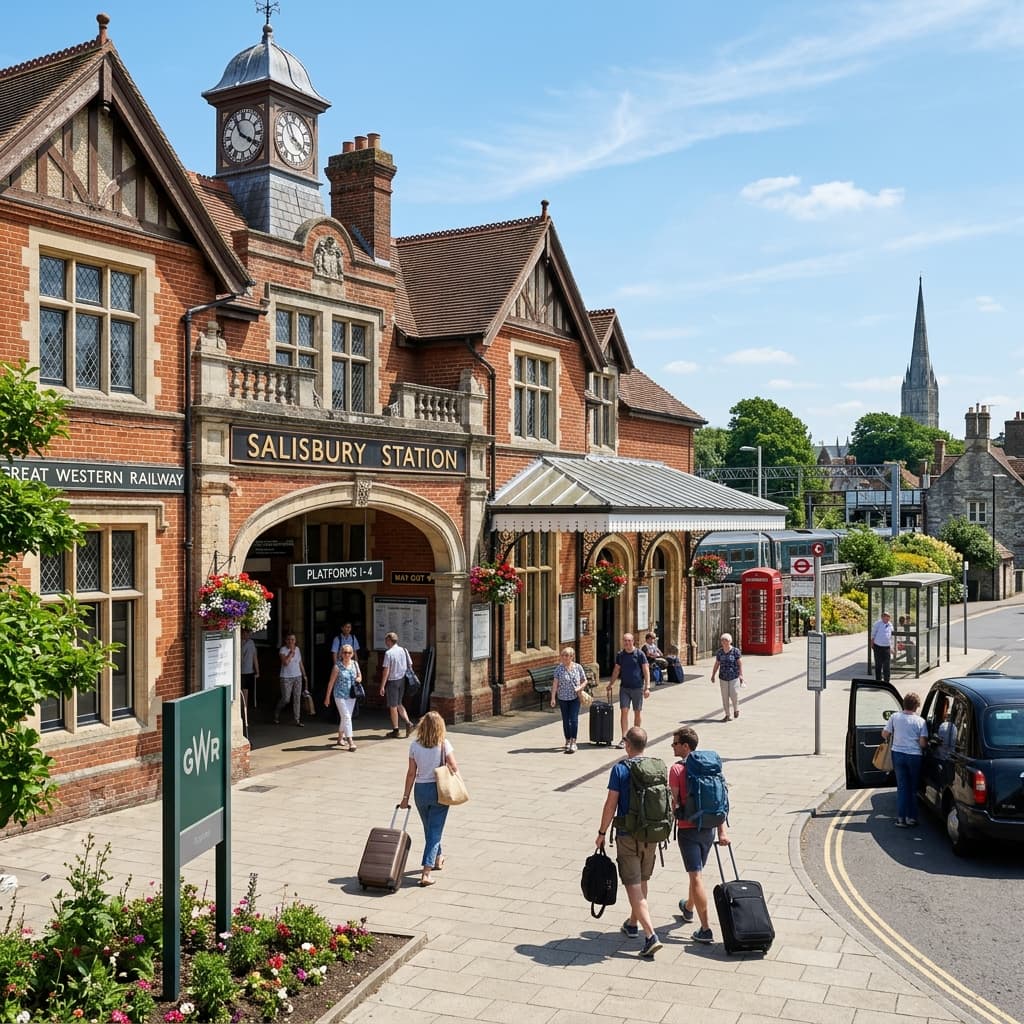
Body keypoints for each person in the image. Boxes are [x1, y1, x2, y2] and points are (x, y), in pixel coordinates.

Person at [594, 726, 664, 958]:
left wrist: (602, 832)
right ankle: (633, 924)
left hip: (627, 834)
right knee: (642, 880)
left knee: (632, 884)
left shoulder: (620, 769)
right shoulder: (656, 766)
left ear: (627, 744)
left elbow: (610, 803)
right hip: (651, 833)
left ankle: (650, 935)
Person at [669, 726, 730, 945]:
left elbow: (674, 803)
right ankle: (688, 907)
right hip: (709, 828)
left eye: (675, 743)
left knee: (696, 877)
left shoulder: (677, 770)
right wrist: (722, 831)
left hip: (688, 829)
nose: (673, 747)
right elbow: (720, 800)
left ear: (686, 746)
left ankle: (705, 929)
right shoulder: (710, 767)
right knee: (697, 873)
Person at [400, 711, 458, 887]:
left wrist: (405, 797)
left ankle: (438, 858)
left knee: (430, 828)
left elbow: (411, 773)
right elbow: (454, 766)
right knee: (434, 831)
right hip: (438, 790)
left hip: (420, 791)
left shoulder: (414, 746)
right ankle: (426, 872)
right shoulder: (444, 744)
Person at [882, 691, 928, 827]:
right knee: (912, 788)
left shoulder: (895, 717)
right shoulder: (920, 721)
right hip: (914, 756)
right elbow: (922, 744)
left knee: (902, 788)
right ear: (916, 706)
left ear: (904, 704)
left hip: (898, 754)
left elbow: (885, 734)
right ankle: (911, 818)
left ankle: (901, 819)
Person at [607, 633, 651, 748]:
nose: (627, 643)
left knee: (637, 712)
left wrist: (647, 687)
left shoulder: (640, 654)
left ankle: (636, 737)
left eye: (629, 640)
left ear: (633, 641)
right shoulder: (620, 655)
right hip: (624, 688)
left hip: (637, 688)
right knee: (624, 711)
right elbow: (616, 670)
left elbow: (646, 670)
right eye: (625, 641)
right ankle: (624, 738)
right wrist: (611, 683)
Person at [323, 643, 362, 750]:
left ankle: (340, 737)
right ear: (341, 654)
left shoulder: (355, 664)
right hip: (339, 695)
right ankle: (350, 741)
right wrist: (327, 697)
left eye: (349, 652)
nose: (347, 655)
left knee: (345, 717)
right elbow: (331, 683)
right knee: (347, 717)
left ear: (352, 654)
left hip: (351, 695)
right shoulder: (337, 667)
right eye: (345, 652)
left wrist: (359, 679)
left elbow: (359, 675)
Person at [550, 646, 587, 753]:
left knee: (574, 719)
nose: (564, 657)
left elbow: (585, 680)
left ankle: (573, 741)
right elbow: (555, 684)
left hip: (575, 697)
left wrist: (580, 688)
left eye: (567, 655)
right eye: (563, 655)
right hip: (563, 698)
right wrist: (553, 698)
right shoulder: (558, 669)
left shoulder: (578, 667)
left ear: (572, 657)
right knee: (566, 720)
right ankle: (567, 740)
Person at [380, 631, 415, 738]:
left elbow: (386, 670)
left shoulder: (388, 653)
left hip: (393, 681)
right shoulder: (404, 650)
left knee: (393, 706)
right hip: (402, 680)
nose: (385, 642)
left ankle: (396, 729)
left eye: (386, 640)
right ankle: (408, 723)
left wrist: (382, 686)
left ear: (389, 640)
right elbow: (410, 664)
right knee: (399, 703)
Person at [274, 632, 307, 726]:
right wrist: (291, 653)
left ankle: (297, 719)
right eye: (289, 639)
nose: (291, 641)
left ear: (295, 641)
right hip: (286, 677)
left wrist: (304, 675)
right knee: (286, 699)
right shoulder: (283, 650)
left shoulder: (298, 649)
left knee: (297, 698)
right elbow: (285, 663)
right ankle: (277, 712)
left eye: (293, 639)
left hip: (297, 676)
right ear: (285, 641)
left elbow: (300, 662)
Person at [710, 633, 743, 721]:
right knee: (724, 697)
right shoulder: (720, 652)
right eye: (723, 641)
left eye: (726, 640)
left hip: (734, 676)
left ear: (730, 641)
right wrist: (713, 675)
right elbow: (717, 664)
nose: (724, 642)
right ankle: (727, 715)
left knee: (734, 694)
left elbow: (740, 664)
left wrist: (741, 674)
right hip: (723, 677)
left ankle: (736, 709)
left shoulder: (735, 651)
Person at [239, 628, 259, 728]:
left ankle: (244, 718)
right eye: (245, 633)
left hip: (248, 671)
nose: (247, 635)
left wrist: (257, 670)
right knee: (242, 695)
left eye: (248, 633)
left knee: (245, 696)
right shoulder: (240, 642)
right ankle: (243, 718)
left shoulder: (251, 643)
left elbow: (254, 657)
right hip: (241, 671)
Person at [871, 611, 894, 683]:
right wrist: (872, 644)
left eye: (888, 617)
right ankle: (878, 681)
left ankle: (887, 681)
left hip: (887, 647)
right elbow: (873, 635)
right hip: (878, 646)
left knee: (887, 665)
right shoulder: (877, 624)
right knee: (878, 664)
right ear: (882, 617)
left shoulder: (890, 625)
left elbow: (892, 637)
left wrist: (892, 647)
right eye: (885, 617)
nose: (887, 618)